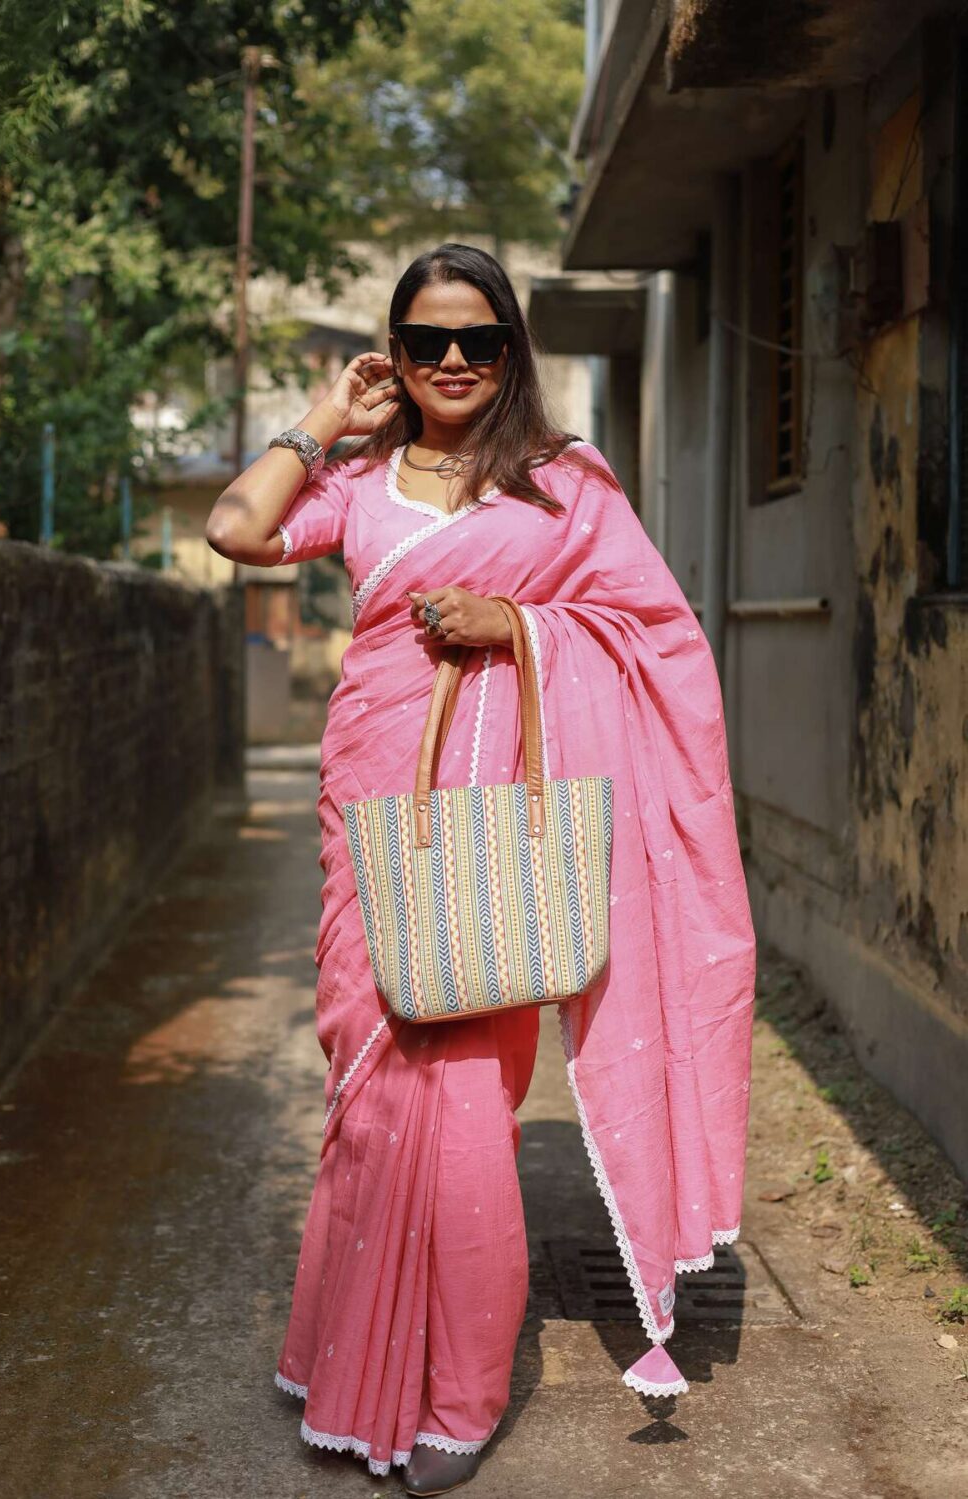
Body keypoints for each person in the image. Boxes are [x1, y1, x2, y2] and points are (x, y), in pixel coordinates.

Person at [205, 242, 756, 1495]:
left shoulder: (564, 488)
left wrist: (519, 623)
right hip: (371, 817)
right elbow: (236, 527)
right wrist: (321, 420)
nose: (453, 361)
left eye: (480, 339)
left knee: (456, 1110)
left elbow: (657, 635)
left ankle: (455, 1384)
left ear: (514, 350)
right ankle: (346, 1355)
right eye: (425, 341)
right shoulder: (359, 482)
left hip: (490, 838)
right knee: (364, 1086)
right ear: (393, 354)